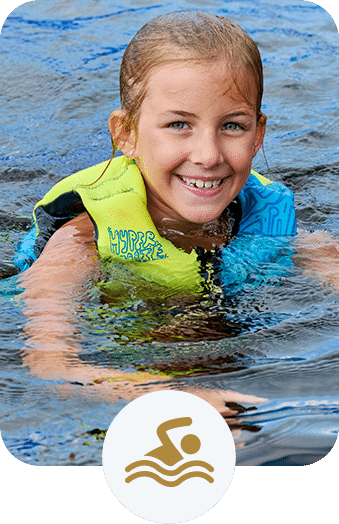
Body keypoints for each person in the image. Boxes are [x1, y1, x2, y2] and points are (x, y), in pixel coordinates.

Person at [15, 11, 303, 420]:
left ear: (258, 134)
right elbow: (51, 366)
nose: (208, 155)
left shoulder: (262, 219)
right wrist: (167, 398)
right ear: (126, 134)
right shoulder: (81, 245)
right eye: (179, 124)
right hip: (129, 379)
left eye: (232, 127)